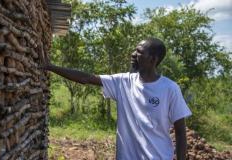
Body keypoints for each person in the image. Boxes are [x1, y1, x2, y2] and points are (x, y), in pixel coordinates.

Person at [41, 37, 192, 160]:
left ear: (153, 60)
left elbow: (180, 132)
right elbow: (86, 78)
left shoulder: (170, 89)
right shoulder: (123, 82)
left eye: (139, 52)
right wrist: (50, 67)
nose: (133, 54)